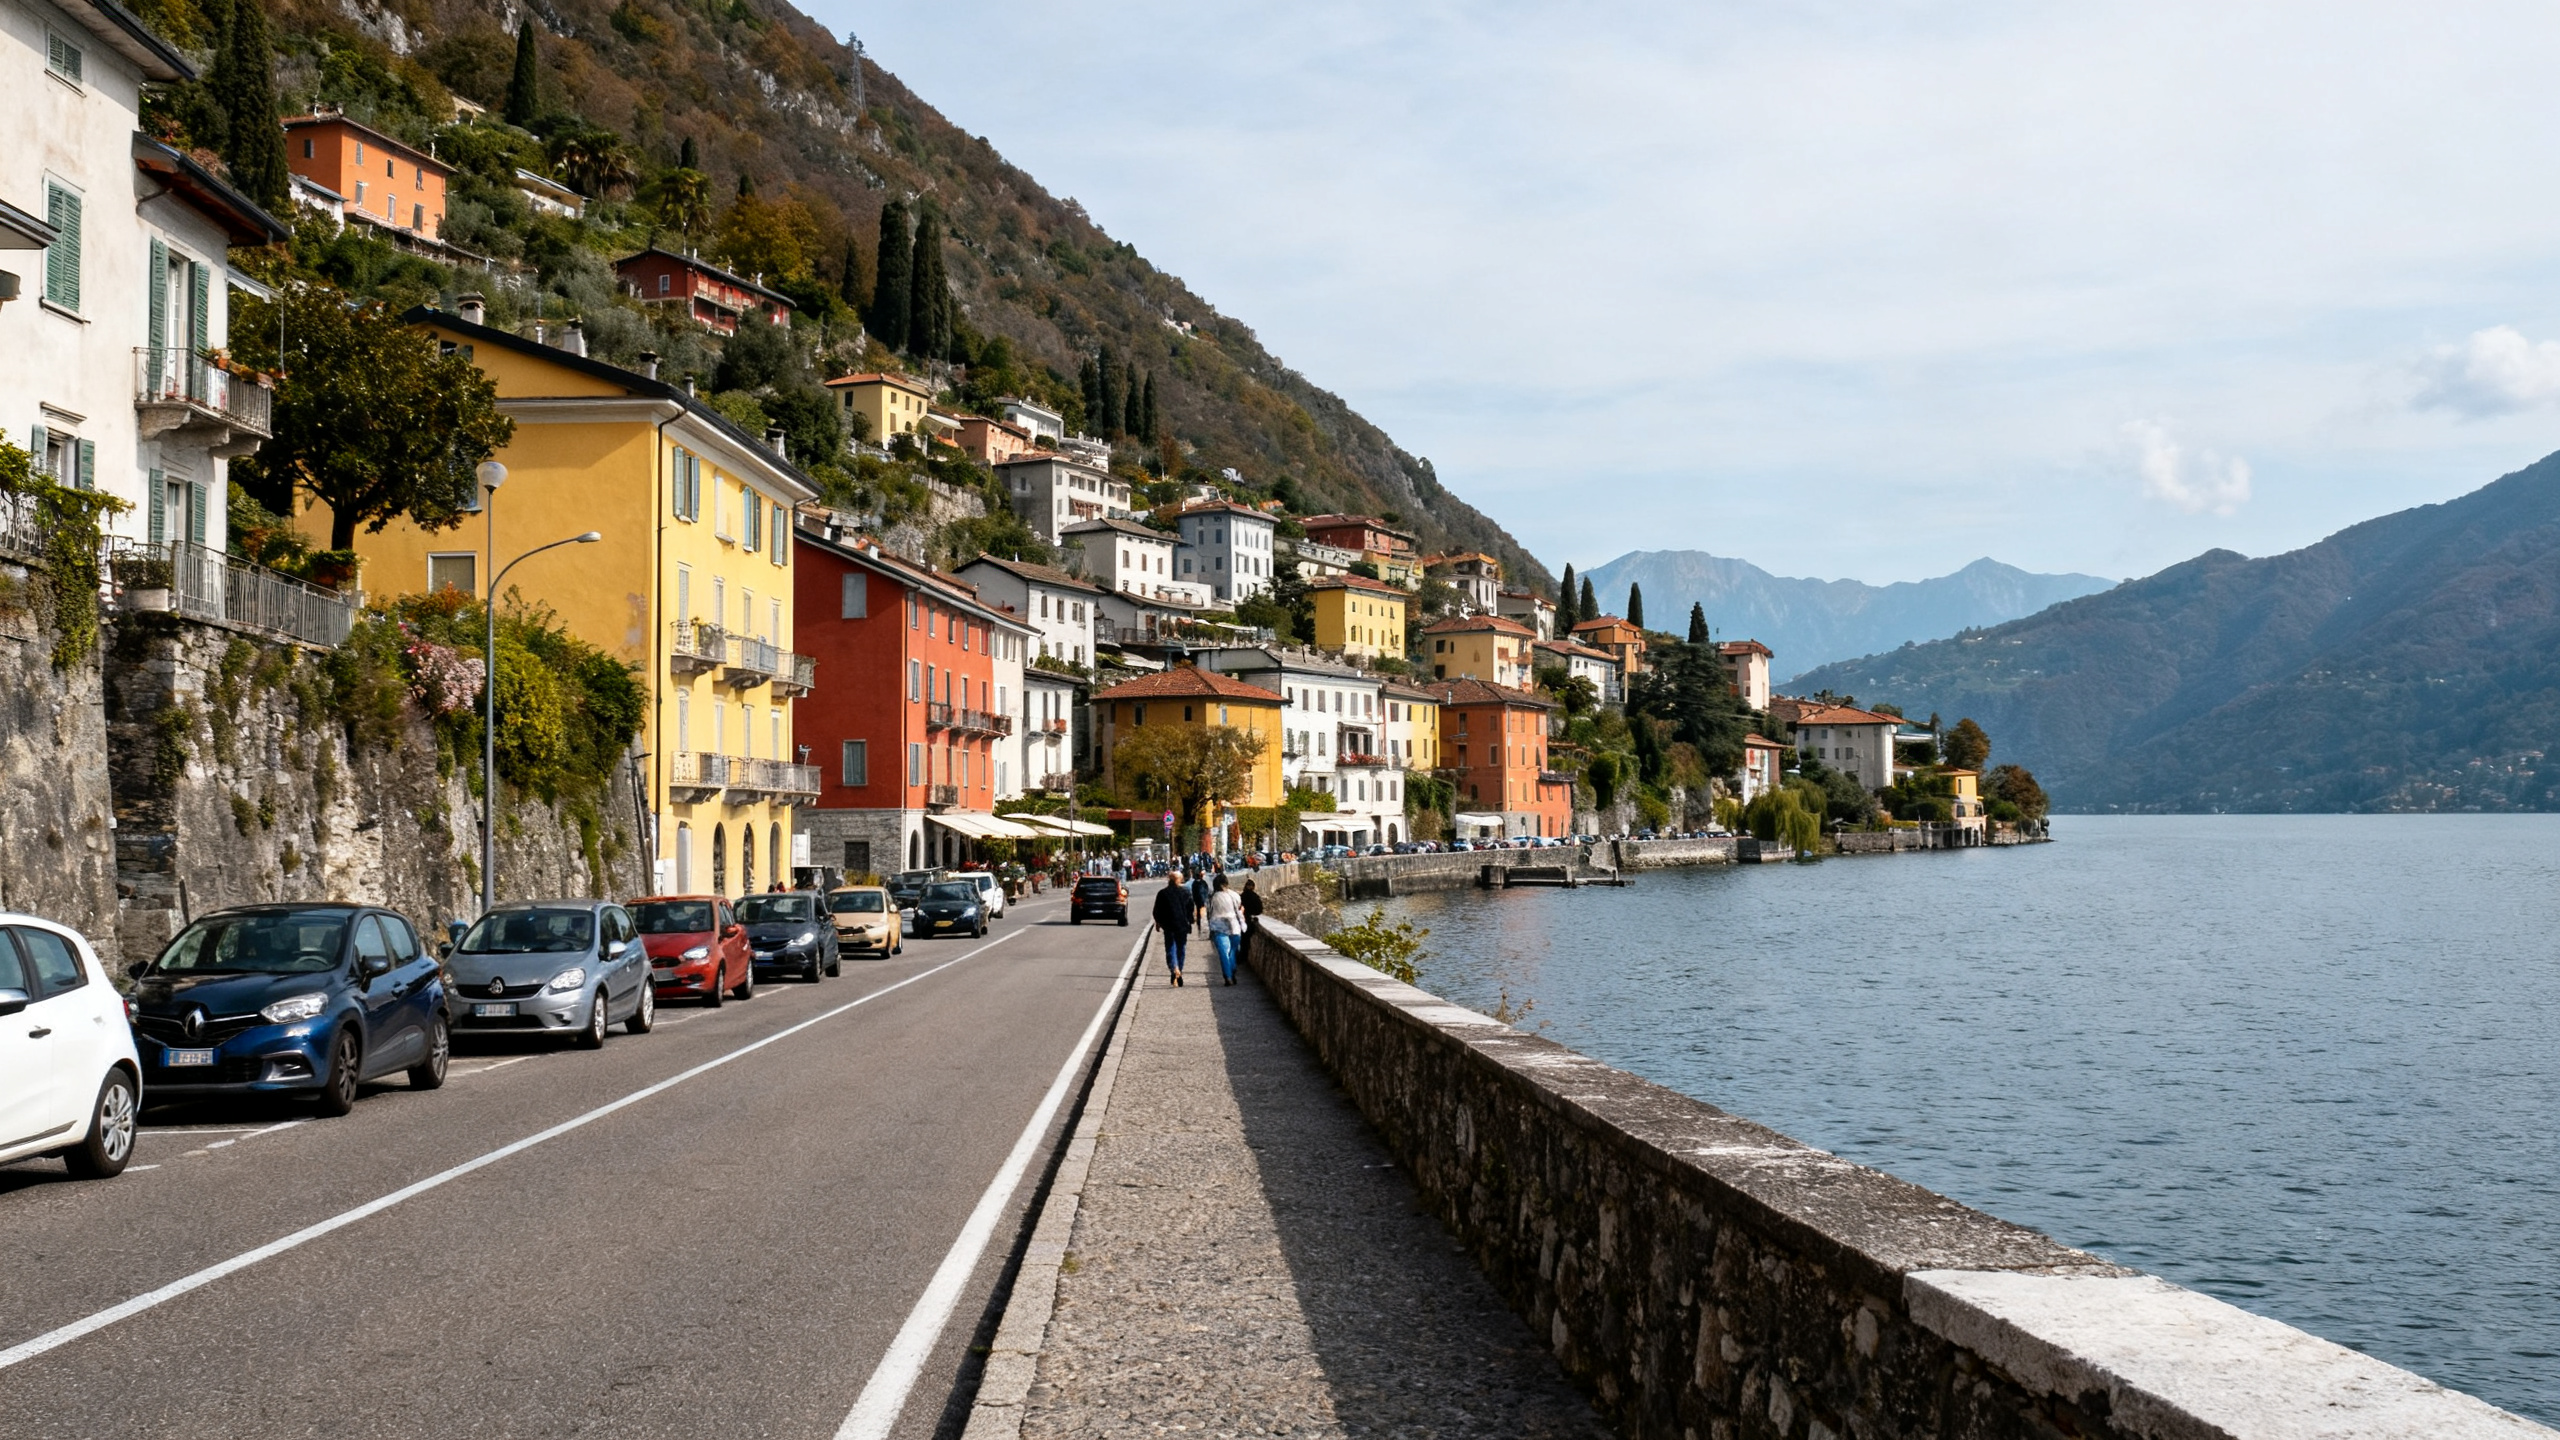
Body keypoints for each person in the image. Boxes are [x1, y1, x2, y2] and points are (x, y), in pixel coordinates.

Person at [1152, 874, 1195, 986]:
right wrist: (1191, 920)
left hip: (1169, 925)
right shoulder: (1186, 892)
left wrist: (1158, 922)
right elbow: (1190, 908)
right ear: (1180, 880)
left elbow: (1157, 910)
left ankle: (1174, 968)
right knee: (1181, 949)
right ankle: (1179, 970)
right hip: (1182, 925)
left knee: (1171, 948)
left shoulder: (1163, 893)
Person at [1204, 873, 1246, 986]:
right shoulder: (1234, 895)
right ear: (1226, 883)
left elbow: (1208, 912)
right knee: (1233, 950)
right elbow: (1240, 908)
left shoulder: (1212, 897)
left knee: (1223, 952)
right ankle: (1232, 969)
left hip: (1218, 927)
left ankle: (1228, 976)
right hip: (1234, 926)